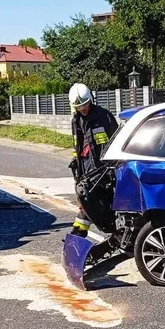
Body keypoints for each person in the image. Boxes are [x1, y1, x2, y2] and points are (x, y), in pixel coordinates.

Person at [68, 83, 119, 238]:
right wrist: (76, 161)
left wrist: (114, 164)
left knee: (106, 203)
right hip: (86, 171)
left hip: (105, 169)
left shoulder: (104, 116)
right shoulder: (76, 121)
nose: (83, 109)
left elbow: (116, 140)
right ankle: (79, 234)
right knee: (88, 201)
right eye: (79, 107)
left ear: (91, 99)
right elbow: (78, 145)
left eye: (85, 105)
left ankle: (117, 234)